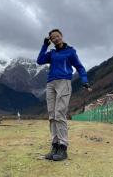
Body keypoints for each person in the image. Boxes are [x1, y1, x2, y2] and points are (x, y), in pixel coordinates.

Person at [36, 28, 92, 161]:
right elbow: (39, 60)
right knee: (52, 115)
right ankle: (54, 146)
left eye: (57, 36)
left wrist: (85, 81)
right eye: (53, 37)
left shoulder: (70, 52)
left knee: (60, 114)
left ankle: (63, 147)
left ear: (61, 36)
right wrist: (44, 45)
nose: (56, 38)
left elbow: (80, 67)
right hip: (51, 84)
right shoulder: (52, 53)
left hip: (64, 82)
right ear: (51, 40)